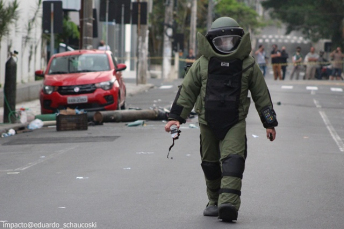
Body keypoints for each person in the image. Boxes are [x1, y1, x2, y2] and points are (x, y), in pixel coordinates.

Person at [164, 17, 278, 222]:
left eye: (231, 41)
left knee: (233, 161)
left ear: (239, 41)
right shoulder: (202, 64)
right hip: (207, 122)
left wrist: (269, 123)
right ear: (211, 42)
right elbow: (187, 91)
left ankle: (228, 204)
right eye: (221, 42)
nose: (226, 45)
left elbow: (262, 95)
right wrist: (175, 118)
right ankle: (214, 201)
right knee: (210, 164)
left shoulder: (248, 64)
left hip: (234, 121)